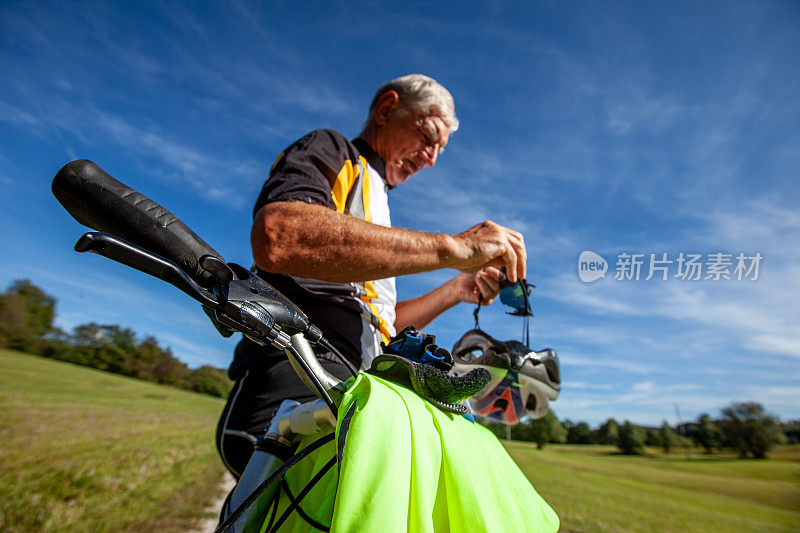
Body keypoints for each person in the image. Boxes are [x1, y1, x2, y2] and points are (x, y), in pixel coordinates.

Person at [216, 74, 527, 477]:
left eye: (440, 150)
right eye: (428, 136)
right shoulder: (336, 151)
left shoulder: (377, 200)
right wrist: (454, 248)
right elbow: (280, 235)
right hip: (299, 382)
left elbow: (383, 324)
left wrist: (457, 288)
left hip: (356, 386)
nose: (431, 158)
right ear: (386, 109)